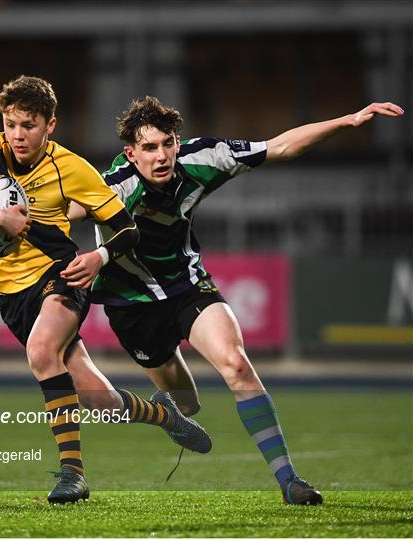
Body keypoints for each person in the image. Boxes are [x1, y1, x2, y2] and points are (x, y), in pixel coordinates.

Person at [67, 96, 404, 505]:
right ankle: (168, 415)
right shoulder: (116, 184)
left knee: (236, 363)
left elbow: (280, 146)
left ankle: (289, 481)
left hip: (187, 287)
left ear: (178, 141)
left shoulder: (204, 157)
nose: (161, 156)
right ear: (131, 154)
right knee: (187, 405)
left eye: (167, 143)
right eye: (150, 148)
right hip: (132, 304)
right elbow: (68, 211)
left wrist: (348, 120)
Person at [0, 77, 212, 505]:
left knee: (42, 352)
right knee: (100, 401)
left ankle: (73, 474)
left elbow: (128, 230)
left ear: (50, 126)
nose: (17, 134)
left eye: (28, 124)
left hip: (63, 276)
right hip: (11, 295)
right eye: (10, 124)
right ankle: (163, 415)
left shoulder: (71, 167)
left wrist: (99, 258)